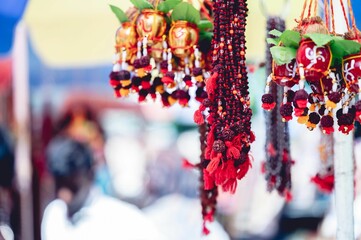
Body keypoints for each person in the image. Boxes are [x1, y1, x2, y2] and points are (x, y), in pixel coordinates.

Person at [41, 136, 164, 240]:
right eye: (59, 184)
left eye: (72, 186)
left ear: (90, 174)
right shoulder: (54, 215)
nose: (64, 194)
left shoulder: (126, 222)